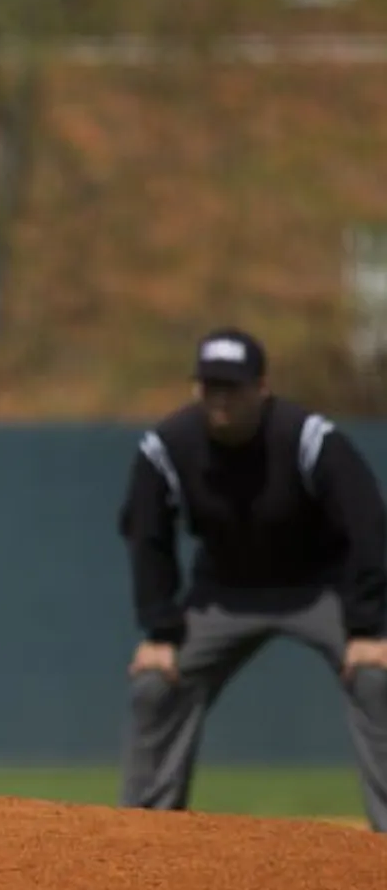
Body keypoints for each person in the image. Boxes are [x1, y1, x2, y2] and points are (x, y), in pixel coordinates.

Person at [116, 327, 387, 828]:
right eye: (210, 386)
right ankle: (143, 839)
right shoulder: (168, 446)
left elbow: (367, 522)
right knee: (156, 684)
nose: (220, 399)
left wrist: (367, 628)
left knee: (376, 677)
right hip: (223, 594)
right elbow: (146, 532)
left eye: (232, 387)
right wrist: (160, 631)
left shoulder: (306, 437)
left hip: (319, 588)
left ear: (262, 388)